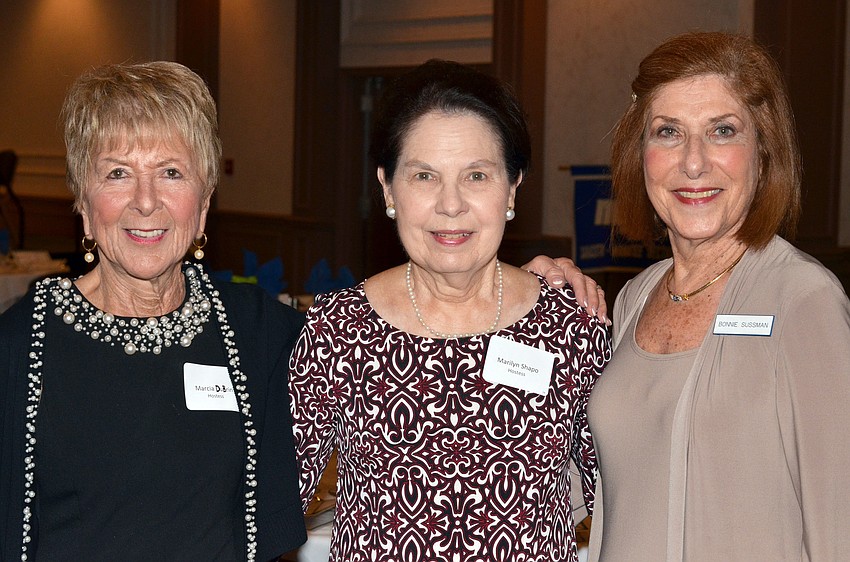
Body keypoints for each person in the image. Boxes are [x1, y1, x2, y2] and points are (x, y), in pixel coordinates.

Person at [534, 31, 850, 561]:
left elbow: (838, 526)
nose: (694, 162)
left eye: (722, 131)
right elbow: (559, 483)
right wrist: (516, 308)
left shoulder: (802, 300)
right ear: (640, 153)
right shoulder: (634, 298)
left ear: (763, 150)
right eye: (669, 132)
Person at [288, 59, 611, 562]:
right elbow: (274, 505)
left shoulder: (572, 326)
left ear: (513, 187)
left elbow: (617, 500)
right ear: (388, 187)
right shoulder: (337, 328)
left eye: (477, 175)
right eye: (424, 176)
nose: (451, 204)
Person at [0, 62, 306, 560]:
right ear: (83, 201)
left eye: (171, 173)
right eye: (118, 173)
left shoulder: (256, 331)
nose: (146, 202)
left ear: (203, 203)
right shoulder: (19, 348)